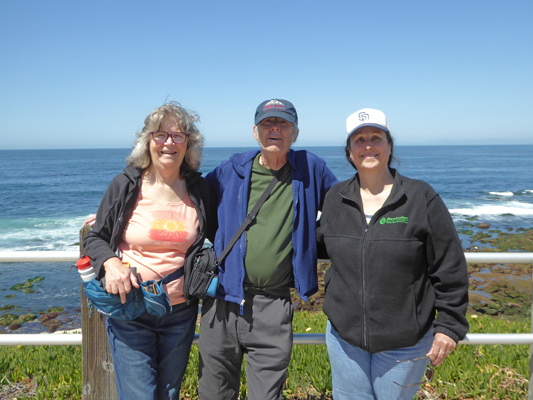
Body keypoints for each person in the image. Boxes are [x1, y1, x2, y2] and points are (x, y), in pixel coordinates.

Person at [317, 108, 469, 399]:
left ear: (389, 147)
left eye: (376, 137)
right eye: (359, 140)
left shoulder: (420, 198)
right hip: (344, 339)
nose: (368, 145)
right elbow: (323, 241)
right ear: (349, 152)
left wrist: (449, 326)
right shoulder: (335, 199)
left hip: (405, 342)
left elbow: (449, 264)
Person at [198, 99, 338, 400]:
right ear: (254, 132)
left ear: (295, 134)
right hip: (222, 301)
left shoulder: (311, 169)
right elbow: (193, 202)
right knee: (214, 393)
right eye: (267, 123)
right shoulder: (230, 170)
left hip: (272, 305)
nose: (275, 128)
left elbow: (343, 207)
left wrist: (311, 242)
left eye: (283, 123)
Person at [83, 102, 216, 400]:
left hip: (180, 313)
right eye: (160, 135)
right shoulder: (127, 184)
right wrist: (111, 263)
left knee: (168, 395)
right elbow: (95, 239)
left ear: (189, 144)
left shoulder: (200, 189)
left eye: (178, 135)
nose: (169, 143)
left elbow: (219, 233)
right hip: (132, 310)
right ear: (148, 141)